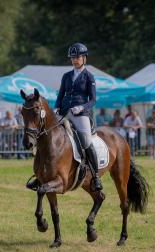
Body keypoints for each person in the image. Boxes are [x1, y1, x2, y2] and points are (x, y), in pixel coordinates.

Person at [27, 43, 102, 192]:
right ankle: (40, 175)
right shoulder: (66, 76)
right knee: (48, 135)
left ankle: (95, 176)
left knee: (86, 141)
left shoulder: (89, 77)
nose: (75, 60)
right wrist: (56, 108)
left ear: (84, 58)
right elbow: (60, 95)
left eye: (78, 57)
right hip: (63, 112)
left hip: (80, 114)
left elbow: (93, 99)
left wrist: (81, 107)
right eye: (73, 58)